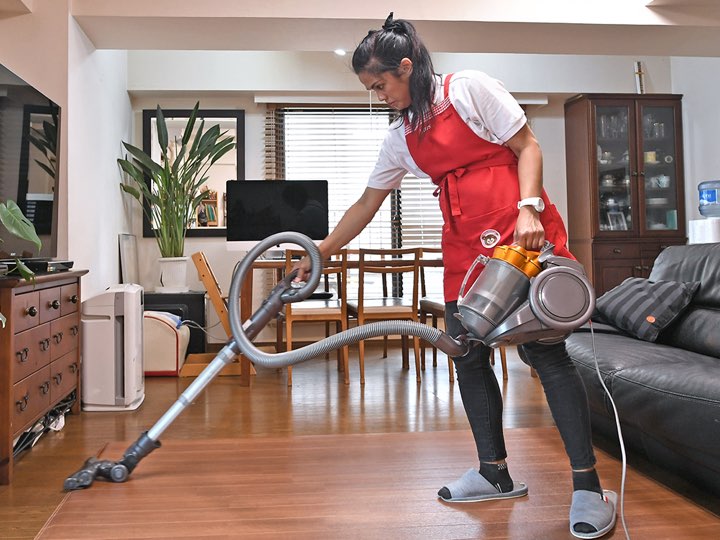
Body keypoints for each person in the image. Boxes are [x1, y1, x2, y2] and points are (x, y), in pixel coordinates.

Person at [295, 13, 616, 539]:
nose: (379, 96)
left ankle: (588, 485)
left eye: (381, 85)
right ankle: (494, 473)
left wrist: (530, 208)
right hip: (466, 249)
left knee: (545, 353)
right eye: (370, 90)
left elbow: (528, 146)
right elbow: (367, 202)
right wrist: (325, 250)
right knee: (465, 353)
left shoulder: (467, 89)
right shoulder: (402, 134)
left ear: (406, 66)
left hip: (521, 236)